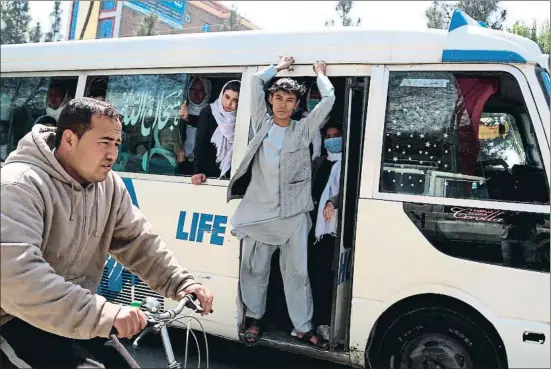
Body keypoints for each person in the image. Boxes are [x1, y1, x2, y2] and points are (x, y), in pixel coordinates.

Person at [0, 97, 213, 369]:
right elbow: (17, 276)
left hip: (71, 312)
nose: (112, 154)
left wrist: (181, 282)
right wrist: (103, 313)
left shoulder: (108, 186)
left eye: (117, 144)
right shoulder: (19, 185)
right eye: (104, 143)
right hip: (12, 317)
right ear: (69, 140)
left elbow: (138, 240)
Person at [227, 56, 335, 350]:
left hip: (294, 212)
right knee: (254, 269)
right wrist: (278, 66)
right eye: (278, 98)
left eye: (290, 100)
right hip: (258, 211)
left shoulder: (302, 129)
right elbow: (254, 81)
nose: (283, 104)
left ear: (297, 105)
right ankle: (254, 318)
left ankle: (302, 326)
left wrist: (320, 74)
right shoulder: (261, 123)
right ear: (270, 100)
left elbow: (329, 99)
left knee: (297, 271)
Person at [308, 121, 343, 341]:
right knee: (313, 274)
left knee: (327, 277)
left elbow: (346, 190)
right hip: (314, 227)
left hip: (333, 229)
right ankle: (312, 321)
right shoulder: (319, 162)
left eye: (337, 135)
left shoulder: (349, 164)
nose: (332, 139)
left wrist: (332, 202)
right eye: (328, 136)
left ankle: (325, 321)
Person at [192, 80, 241, 185]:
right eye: (227, 97)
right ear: (221, 94)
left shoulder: (242, 116)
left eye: (235, 100)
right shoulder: (209, 112)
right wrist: (197, 171)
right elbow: (200, 143)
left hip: (232, 173)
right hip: (208, 176)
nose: (229, 104)